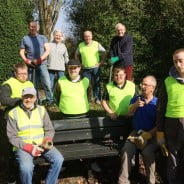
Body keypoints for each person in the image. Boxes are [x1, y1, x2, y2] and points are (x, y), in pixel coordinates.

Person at [7, 87, 64, 184]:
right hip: (23, 148)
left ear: (35, 98)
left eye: (31, 97)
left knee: (59, 159)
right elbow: (12, 136)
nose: (28, 99)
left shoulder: (41, 110)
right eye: (26, 97)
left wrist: (47, 141)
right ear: (22, 97)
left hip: (42, 145)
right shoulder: (13, 113)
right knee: (26, 168)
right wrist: (28, 147)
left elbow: (49, 129)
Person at [118, 75, 158, 184]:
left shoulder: (157, 103)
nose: (142, 86)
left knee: (147, 153)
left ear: (152, 88)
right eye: (142, 84)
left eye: (145, 84)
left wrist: (149, 134)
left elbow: (160, 124)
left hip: (153, 134)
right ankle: (123, 181)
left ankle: (151, 181)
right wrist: (135, 105)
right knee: (126, 151)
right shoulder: (136, 99)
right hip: (136, 133)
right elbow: (128, 114)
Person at [0, 62, 34, 183]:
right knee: (9, 150)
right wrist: (20, 100)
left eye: (26, 73)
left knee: (23, 146)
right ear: (15, 73)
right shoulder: (8, 84)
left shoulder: (30, 83)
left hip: (27, 120)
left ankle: (25, 172)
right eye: (21, 74)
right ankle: (11, 177)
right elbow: (3, 100)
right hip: (10, 120)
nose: (25, 76)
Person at [156, 48, 184, 184]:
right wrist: (160, 130)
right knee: (173, 155)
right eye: (175, 62)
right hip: (171, 123)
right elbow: (160, 107)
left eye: (181, 61)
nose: (178, 64)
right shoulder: (167, 81)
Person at [19, 20, 53, 105]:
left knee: (47, 84)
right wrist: (27, 60)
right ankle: (37, 101)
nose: (32, 28)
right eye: (31, 26)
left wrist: (39, 60)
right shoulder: (25, 38)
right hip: (31, 65)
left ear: (37, 27)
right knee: (34, 85)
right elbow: (21, 52)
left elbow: (48, 50)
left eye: (34, 26)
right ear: (29, 27)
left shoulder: (42, 37)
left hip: (42, 64)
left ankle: (50, 101)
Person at [75, 30, 106, 104]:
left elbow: (105, 52)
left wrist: (101, 62)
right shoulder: (81, 45)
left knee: (97, 84)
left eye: (89, 36)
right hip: (85, 69)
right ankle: (87, 98)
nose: (87, 38)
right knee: (86, 84)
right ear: (84, 37)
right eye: (86, 36)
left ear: (91, 36)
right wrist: (79, 63)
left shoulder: (96, 44)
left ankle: (97, 99)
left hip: (95, 68)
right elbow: (76, 54)